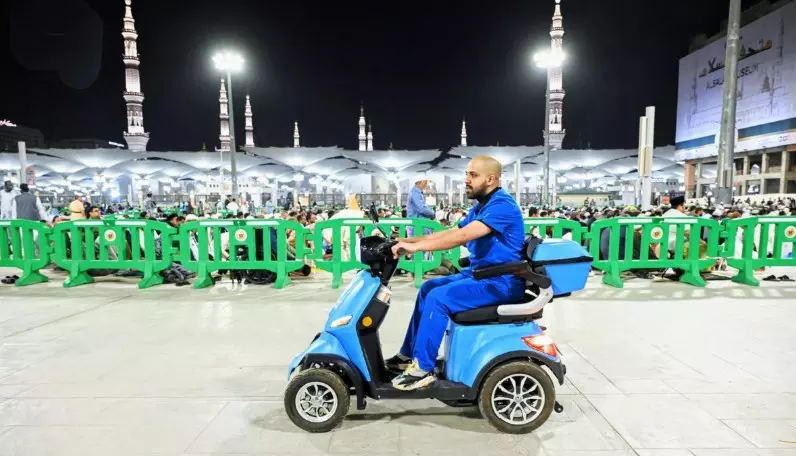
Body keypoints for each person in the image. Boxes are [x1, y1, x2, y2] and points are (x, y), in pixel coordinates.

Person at [387, 156, 526, 391]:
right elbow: (449, 232)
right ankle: (408, 356)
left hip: (501, 282)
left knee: (439, 298)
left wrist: (415, 247)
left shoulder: (502, 205)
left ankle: (423, 369)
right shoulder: (482, 206)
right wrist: (407, 241)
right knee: (428, 288)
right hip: (482, 275)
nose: (466, 180)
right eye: (467, 174)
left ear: (491, 179)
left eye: (473, 175)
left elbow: (461, 237)